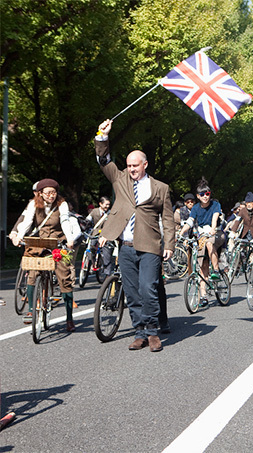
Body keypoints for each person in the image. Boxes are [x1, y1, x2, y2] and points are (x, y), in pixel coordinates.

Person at [94, 119, 175, 353]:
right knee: (131, 291)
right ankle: (139, 332)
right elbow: (103, 160)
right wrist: (102, 135)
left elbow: (168, 218)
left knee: (148, 287)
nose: (131, 169)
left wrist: (168, 243)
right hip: (126, 246)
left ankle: (152, 332)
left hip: (150, 245)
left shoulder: (161, 188)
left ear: (145, 165)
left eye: (135, 166)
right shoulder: (120, 180)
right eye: (129, 165)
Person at [12, 179, 80, 331]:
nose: (51, 195)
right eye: (48, 193)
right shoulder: (33, 204)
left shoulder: (61, 204)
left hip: (58, 243)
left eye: (54, 192)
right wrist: (18, 236)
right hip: (38, 243)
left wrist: (69, 239)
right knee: (32, 273)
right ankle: (31, 309)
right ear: (41, 193)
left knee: (64, 277)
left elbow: (65, 221)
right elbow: (27, 222)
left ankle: (69, 318)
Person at [179, 178, 225, 306]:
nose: (205, 197)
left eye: (207, 194)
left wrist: (213, 228)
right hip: (202, 236)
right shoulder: (195, 208)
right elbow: (190, 221)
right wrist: (180, 233)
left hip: (216, 234)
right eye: (202, 195)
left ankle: (216, 270)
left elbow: (215, 217)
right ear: (198, 196)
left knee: (210, 244)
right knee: (202, 266)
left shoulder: (215, 204)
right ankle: (203, 296)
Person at [85, 196, 114, 278]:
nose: (107, 206)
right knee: (91, 248)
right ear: (100, 204)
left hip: (106, 235)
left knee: (107, 253)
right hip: (95, 234)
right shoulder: (94, 212)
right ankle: (92, 263)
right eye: (106, 204)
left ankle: (107, 274)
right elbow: (88, 219)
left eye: (109, 205)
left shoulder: (110, 213)